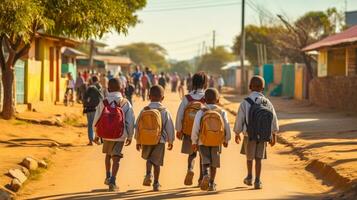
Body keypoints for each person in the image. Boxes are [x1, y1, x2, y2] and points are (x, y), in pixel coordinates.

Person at [234, 75, 279, 189]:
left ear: (250, 87)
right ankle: (258, 181)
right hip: (263, 135)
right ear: (263, 88)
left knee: (249, 158)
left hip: (249, 135)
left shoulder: (245, 102)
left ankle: (249, 177)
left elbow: (240, 118)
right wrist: (274, 135)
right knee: (259, 158)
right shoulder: (267, 102)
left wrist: (237, 132)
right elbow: (273, 118)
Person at [93, 78, 135, 192]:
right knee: (116, 158)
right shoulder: (125, 102)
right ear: (122, 88)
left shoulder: (103, 102)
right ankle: (113, 181)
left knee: (108, 155)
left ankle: (107, 176)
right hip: (120, 135)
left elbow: (97, 119)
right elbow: (130, 121)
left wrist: (96, 134)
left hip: (106, 134)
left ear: (108, 88)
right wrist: (130, 136)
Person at [135, 85, 175, 191]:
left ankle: (148, 174)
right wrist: (171, 140)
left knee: (149, 159)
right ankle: (156, 183)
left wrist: (138, 140)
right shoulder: (164, 111)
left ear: (149, 96)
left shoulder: (144, 110)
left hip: (146, 140)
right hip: (160, 140)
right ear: (162, 98)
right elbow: (170, 126)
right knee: (157, 162)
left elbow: (137, 125)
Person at [191, 88, 231, 191]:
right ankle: (212, 183)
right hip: (217, 142)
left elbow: (196, 127)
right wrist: (226, 139)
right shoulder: (222, 112)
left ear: (204, 100)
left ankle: (205, 174)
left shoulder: (201, 111)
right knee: (214, 163)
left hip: (202, 141)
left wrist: (194, 141)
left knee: (205, 160)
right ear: (218, 100)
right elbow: (226, 126)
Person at [176, 72, 208, 187]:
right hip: (204, 131)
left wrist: (179, 130)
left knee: (192, 154)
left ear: (193, 83)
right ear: (205, 83)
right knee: (202, 155)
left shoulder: (187, 97)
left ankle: (190, 169)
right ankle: (201, 178)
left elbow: (180, 114)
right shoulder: (207, 97)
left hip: (189, 131)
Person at [83, 76, 103, 145]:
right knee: (96, 124)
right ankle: (97, 139)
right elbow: (101, 97)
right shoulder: (98, 87)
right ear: (97, 80)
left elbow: (84, 98)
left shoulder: (88, 88)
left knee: (90, 124)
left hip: (88, 109)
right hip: (96, 109)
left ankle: (90, 141)